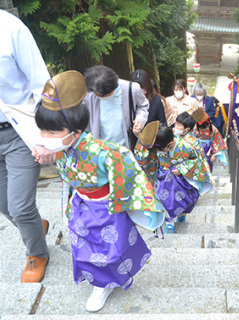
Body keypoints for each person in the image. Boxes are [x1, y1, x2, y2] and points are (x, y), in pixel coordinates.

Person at [35, 70, 165, 312]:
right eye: (43, 132)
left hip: (105, 207)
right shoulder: (66, 148)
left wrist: (127, 203)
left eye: (52, 133)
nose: (46, 138)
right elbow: (68, 178)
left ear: (74, 131)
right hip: (80, 204)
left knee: (110, 249)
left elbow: (128, 165)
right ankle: (101, 281)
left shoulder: (102, 152)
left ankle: (105, 284)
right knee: (85, 247)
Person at [0, 9, 51, 283]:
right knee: (4, 205)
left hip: (19, 131)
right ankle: (35, 228)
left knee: (19, 206)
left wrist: (44, 136)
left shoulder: (10, 29)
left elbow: (42, 84)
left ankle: (37, 252)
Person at [134, 122, 212, 232]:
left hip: (182, 179)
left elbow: (196, 160)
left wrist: (181, 168)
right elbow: (145, 152)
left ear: (170, 144)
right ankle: (169, 223)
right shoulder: (160, 143)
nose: (157, 152)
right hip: (163, 178)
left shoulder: (185, 147)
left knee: (183, 200)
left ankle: (181, 215)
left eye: (159, 149)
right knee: (164, 200)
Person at [83, 65, 149, 149]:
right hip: (101, 150)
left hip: (125, 148)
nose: (105, 97)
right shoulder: (89, 96)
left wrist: (139, 119)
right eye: (101, 96)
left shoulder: (131, 89)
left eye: (108, 95)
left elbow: (143, 106)